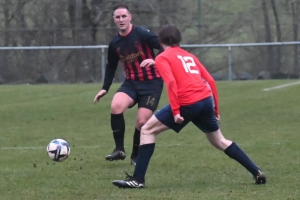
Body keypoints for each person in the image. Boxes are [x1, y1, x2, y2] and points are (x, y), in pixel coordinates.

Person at [112, 24, 266, 188]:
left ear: (161, 41)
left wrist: (176, 111)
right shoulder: (189, 56)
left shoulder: (162, 57)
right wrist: (215, 109)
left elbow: (171, 82)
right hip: (206, 100)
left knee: (147, 130)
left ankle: (137, 180)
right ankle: (256, 172)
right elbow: (211, 81)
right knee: (219, 141)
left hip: (188, 102)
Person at [93, 4, 163, 165]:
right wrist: (105, 88)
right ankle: (119, 149)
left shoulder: (142, 34)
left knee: (141, 122)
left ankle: (136, 156)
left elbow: (165, 46)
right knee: (116, 106)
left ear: (130, 17)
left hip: (152, 84)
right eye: (117, 17)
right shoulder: (115, 43)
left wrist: (155, 60)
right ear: (114, 20)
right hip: (131, 83)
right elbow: (111, 66)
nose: (121, 19)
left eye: (124, 16)